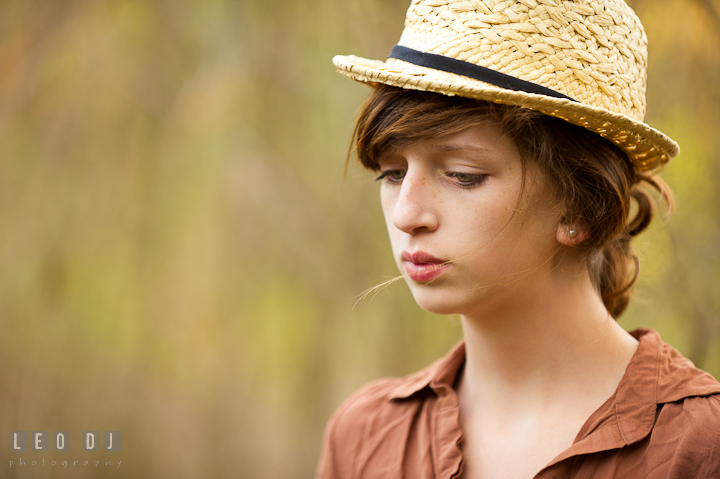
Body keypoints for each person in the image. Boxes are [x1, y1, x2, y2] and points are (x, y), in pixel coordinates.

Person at [317, 0, 720, 478]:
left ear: (580, 204)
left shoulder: (697, 446)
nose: (406, 214)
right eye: (392, 173)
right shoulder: (366, 437)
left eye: (463, 176)